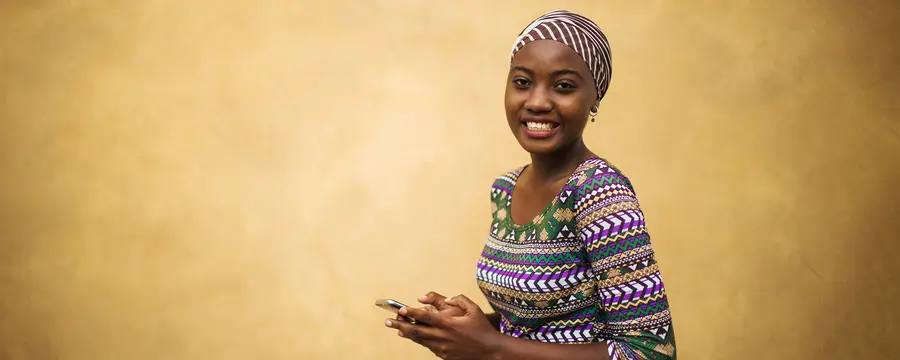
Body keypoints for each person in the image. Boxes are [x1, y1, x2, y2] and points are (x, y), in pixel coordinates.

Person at [384, 9, 677, 360]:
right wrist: (466, 330)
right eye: (522, 82)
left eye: (564, 86)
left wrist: (491, 348)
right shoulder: (505, 188)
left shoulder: (599, 193)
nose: (537, 102)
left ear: (595, 97)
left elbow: (651, 353)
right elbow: (537, 329)